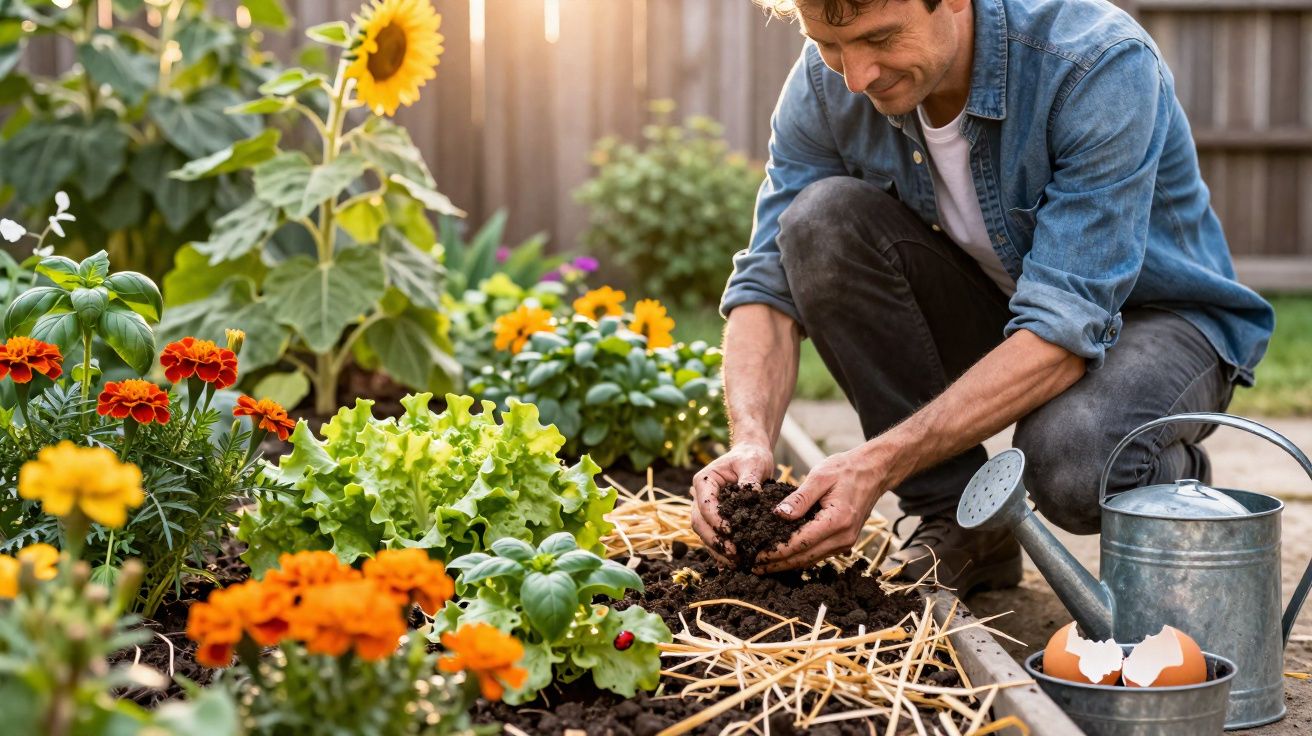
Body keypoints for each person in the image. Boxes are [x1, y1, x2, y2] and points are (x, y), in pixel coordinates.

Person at [690, 0, 1274, 594]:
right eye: (830, 45)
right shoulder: (823, 86)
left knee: (1073, 463)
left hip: (1160, 317)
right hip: (1005, 308)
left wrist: (878, 461)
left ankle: (1175, 484)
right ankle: (962, 522)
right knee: (818, 223)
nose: (857, 76)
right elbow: (766, 285)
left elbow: (1064, 324)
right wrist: (751, 440)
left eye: (882, 39)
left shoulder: (1095, 63)